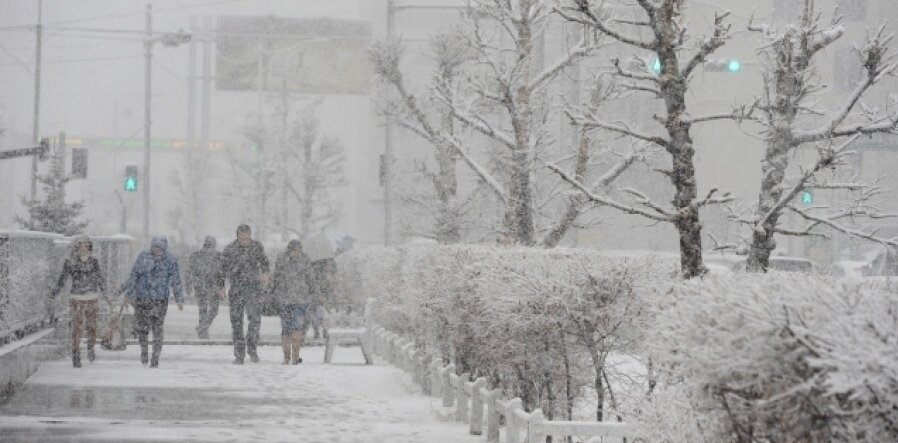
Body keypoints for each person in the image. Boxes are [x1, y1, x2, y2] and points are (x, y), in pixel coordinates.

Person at [123, 237, 184, 368]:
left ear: (164, 249)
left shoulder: (170, 260)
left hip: (160, 300)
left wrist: (179, 298)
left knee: (158, 329)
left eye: (160, 249)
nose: (157, 252)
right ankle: (144, 351)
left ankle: (155, 357)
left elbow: (176, 280)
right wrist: (128, 294)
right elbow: (134, 276)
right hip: (142, 298)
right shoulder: (143, 257)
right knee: (142, 329)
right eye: (155, 248)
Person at [52, 235, 108, 368]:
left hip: (92, 297)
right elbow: (63, 278)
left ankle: (90, 347)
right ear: (77, 247)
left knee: (92, 326)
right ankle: (76, 354)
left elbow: (99, 277)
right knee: (77, 327)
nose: (84, 248)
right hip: (77, 298)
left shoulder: (94, 261)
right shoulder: (70, 262)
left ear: (89, 247)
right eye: (81, 245)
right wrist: (56, 291)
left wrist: (105, 293)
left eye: (86, 245)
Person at [221, 224, 270, 364]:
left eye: (247, 238)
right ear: (237, 236)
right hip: (237, 289)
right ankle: (239, 354)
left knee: (255, 320)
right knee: (236, 322)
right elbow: (221, 270)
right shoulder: (230, 249)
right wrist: (221, 287)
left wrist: (265, 273)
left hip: (253, 289)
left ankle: (252, 348)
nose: (245, 241)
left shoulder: (257, 246)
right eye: (242, 238)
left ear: (250, 235)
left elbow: (265, 262)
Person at [271, 240, 313, 365]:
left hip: (299, 300)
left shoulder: (304, 260)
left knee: (296, 328)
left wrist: (315, 293)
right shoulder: (282, 260)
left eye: (298, 251)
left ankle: (294, 357)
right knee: (286, 329)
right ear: (289, 250)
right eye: (294, 251)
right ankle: (287, 357)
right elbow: (276, 277)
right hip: (286, 299)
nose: (296, 253)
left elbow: (311, 278)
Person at [187, 236, 224, 339]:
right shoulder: (199, 255)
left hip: (206, 285)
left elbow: (221, 273)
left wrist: (189, 284)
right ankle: (203, 329)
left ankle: (202, 328)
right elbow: (190, 271)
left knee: (206, 310)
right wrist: (221, 287)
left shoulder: (215, 256)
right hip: (207, 286)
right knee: (209, 310)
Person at [308, 257, 337, 339]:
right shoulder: (322, 273)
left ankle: (319, 331)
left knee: (317, 314)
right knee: (320, 314)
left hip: (316, 296)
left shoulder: (315, 270)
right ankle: (321, 330)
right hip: (318, 296)